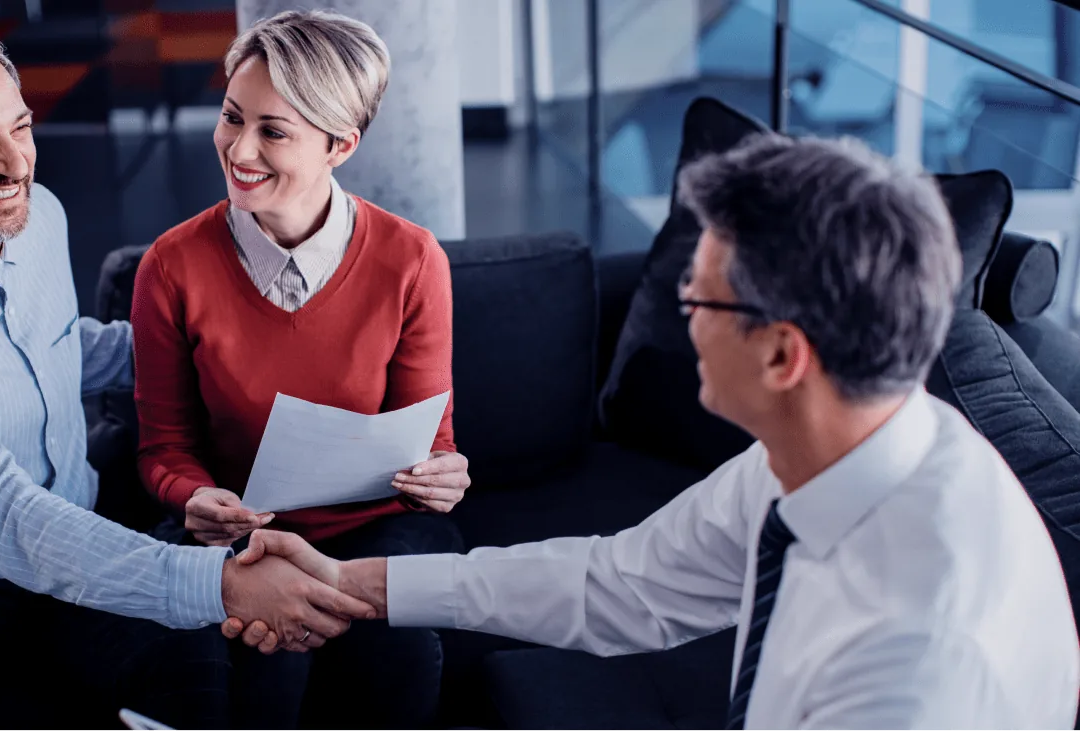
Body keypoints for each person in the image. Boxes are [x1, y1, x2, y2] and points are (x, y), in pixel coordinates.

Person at [223, 133, 1080, 729]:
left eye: (697, 299)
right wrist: (347, 583)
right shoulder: (825, 453)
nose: (678, 314)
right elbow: (618, 585)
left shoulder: (920, 660)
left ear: (784, 353)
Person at [0, 25, 373, 730]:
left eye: (20, 127)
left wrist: (221, 349)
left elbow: (53, 347)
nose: (14, 163)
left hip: (74, 538)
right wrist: (222, 583)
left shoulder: (37, 216)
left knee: (205, 680)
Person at [131, 9, 470, 729]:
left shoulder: (412, 260)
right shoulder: (170, 266)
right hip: (245, 538)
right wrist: (194, 496)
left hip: (379, 530)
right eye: (232, 117)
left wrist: (440, 475)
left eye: (273, 131)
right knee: (262, 671)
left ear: (340, 144)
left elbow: (431, 442)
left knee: (396, 656)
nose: (239, 148)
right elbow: (163, 448)